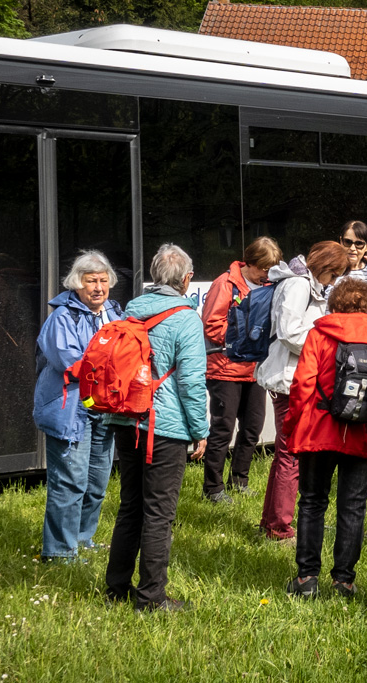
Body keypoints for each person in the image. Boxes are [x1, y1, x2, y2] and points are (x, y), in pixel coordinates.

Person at [103, 243, 209, 612]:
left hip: (125, 420)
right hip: (164, 429)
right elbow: (192, 383)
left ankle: (116, 587)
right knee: (159, 513)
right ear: (187, 279)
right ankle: (151, 597)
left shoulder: (130, 312)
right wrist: (200, 431)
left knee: (130, 507)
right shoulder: (186, 319)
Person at [284, 278, 367, 598]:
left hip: (318, 430)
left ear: (335, 303)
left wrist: (292, 427)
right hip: (362, 434)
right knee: (353, 507)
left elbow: (302, 386)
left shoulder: (319, 335)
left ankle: (307, 580)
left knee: (312, 502)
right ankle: (344, 581)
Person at [255, 241, 349, 542]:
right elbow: (288, 332)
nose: (333, 282)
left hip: (293, 376)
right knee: (291, 455)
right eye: (333, 275)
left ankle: (272, 521)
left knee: (285, 453)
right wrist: (324, 340)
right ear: (322, 268)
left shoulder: (301, 281)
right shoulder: (297, 284)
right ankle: (280, 528)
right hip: (290, 379)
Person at [33, 250, 123, 561]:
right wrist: (114, 366)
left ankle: (83, 539)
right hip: (72, 408)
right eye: (90, 282)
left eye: (103, 280)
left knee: (97, 481)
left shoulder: (115, 312)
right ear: (76, 284)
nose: (98, 287)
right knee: (70, 483)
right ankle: (59, 551)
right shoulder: (62, 317)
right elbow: (70, 362)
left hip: (106, 408)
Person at [200, 237, 283, 503]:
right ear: (250, 263)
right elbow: (212, 326)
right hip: (225, 369)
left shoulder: (269, 285)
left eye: (271, 270)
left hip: (255, 369)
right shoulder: (224, 284)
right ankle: (213, 488)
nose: (266, 275)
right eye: (263, 269)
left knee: (252, 428)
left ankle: (239, 481)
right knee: (222, 429)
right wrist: (246, 338)